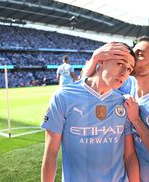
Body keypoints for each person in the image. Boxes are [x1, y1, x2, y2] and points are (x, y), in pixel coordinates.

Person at [41, 43, 140, 182]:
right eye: (120, 63)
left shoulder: (123, 103)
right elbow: (51, 153)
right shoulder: (63, 97)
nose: (124, 73)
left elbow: (129, 155)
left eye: (129, 69)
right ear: (101, 60)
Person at [83, 37, 149, 182]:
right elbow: (86, 85)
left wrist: (136, 120)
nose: (132, 57)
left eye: (139, 54)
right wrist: (96, 57)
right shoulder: (125, 85)